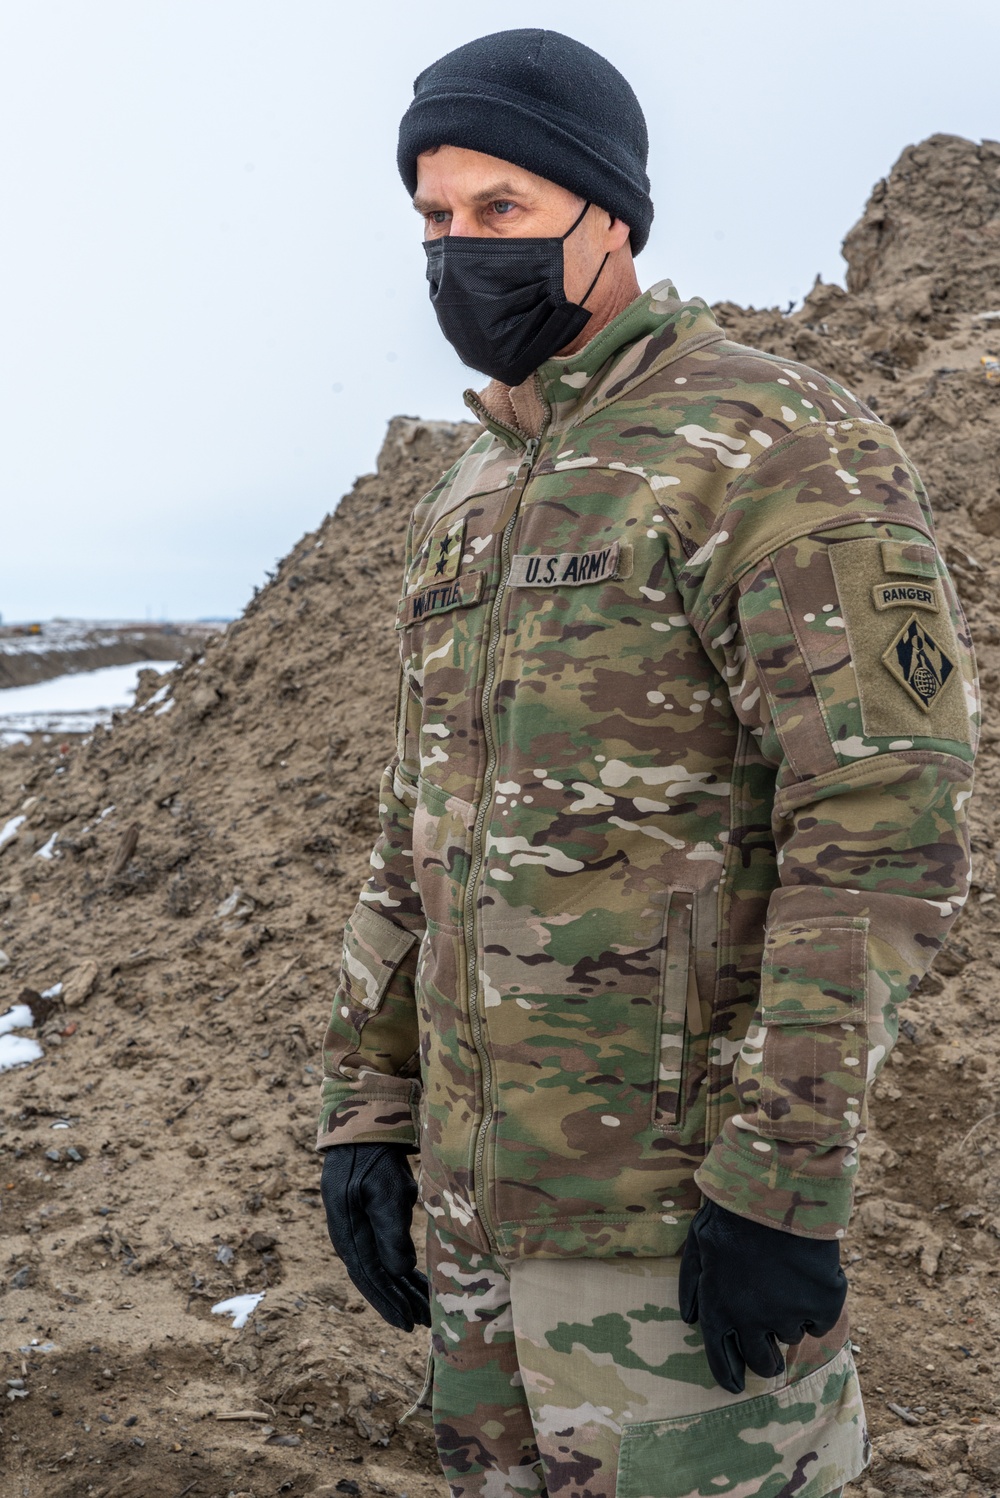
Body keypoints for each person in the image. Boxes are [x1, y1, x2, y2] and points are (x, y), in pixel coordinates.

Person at [316, 28, 978, 1498]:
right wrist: (366, 1113)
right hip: (484, 1226)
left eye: (501, 211)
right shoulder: (470, 490)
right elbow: (411, 833)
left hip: (676, 1225)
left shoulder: (769, 445)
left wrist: (787, 1180)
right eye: (434, 217)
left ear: (610, 216)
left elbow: (880, 815)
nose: (457, 250)